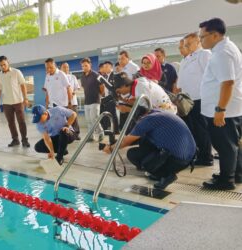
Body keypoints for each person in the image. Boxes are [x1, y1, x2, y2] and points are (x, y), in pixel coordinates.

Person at [103, 109, 196, 190]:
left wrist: (111, 148)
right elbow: (136, 139)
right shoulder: (158, 113)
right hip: (190, 157)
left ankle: (166, 175)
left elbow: (126, 142)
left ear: (139, 118)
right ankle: (162, 170)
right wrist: (116, 143)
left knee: (138, 158)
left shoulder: (146, 121)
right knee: (141, 146)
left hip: (178, 160)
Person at [199, 18, 242, 190]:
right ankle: (236, 173)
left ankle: (226, 180)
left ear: (215, 35)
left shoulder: (222, 53)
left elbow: (227, 83)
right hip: (230, 107)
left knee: (225, 146)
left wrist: (220, 109)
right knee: (232, 144)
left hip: (224, 109)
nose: (201, 40)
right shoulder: (225, 48)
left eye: (202, 37)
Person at [177, 32, 213, 166]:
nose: (186, 46)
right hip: (188, 100)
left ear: (198, 42)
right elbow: (181, 82)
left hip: (200, 99)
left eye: (189, 43)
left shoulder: (205, 55)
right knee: (193, 129)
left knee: (202, 130)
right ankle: (198, 154)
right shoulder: (186, 59)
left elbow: (210, 76)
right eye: (185, 44)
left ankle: (206, 157)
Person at [0, 55, 30, 147]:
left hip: (18, 101)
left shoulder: (16, 72)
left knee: (21, 121)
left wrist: (25, 98)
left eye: (4, 64)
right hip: (6, 103)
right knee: (11, 123)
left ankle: (24, 140)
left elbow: (23, 85)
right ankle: (15, 139)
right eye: (1, 65)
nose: (3, 67)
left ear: (8, 62)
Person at [80, 57, 104, 142]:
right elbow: (84, 87)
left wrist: (99, 96)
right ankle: (91, 136)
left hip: (95, 100)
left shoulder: (96, 75)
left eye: (86, 65)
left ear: (90, 65)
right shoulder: (82, 76)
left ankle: (101, 133)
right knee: (88, 120)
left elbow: (102, 87)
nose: (84, 67)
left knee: (94, 118)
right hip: (87, 101)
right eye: (82, 66)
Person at [60, 62, 81, 139]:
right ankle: (67, 134)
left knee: (74, 118)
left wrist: (74, 92)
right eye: (64, 67)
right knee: (64, 119)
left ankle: (76, 134)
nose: (66, 69)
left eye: (67, 67)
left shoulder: (73, 77)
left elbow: (77, 88)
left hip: (73, 102)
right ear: (60, 69)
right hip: (62, 102)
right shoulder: (59, 78)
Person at [100, 61, 120, 134]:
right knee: (107, 114)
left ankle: (116, 131)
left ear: (111, 67)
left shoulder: (114, 75)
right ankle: (107, 129)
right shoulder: (105, 76)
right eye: (104, 67)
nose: (104, 68)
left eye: (106, 67)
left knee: (113, 115)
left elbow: (114, 88)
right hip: (106, 98)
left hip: (112, 98)